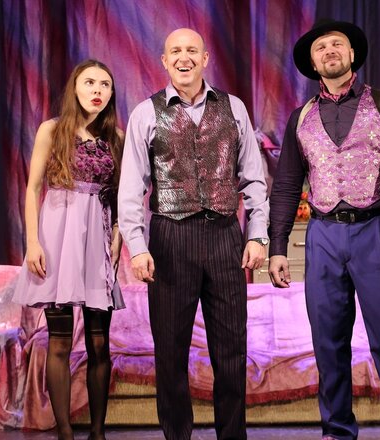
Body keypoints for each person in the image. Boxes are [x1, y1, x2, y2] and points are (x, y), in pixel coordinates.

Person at [268, 19, 380, 440]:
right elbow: (286, 185)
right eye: (321, 48)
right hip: (323, 236)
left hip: (376, 230)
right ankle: (337, 430)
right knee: (327, 340)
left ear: (352, 54)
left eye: (337, 44)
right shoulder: (301, 117)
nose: (330, 51)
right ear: (313, 62)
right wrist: (277, 246)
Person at [118, 28, 269, 440]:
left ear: (205, 58)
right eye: (175, 51)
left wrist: (257, 235)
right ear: (164, 61)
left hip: (224, 236)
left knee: (231, 351)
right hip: (170, 239)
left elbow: (254, 178)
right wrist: (137, 247)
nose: (183, 58)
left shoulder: (233, 107)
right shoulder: (145, 113)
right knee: (170, 352)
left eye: (191, 51)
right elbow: (130, 189)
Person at [13, 59, 125, 440]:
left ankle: (97, 432)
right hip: (58, 236)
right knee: (59, 341)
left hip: (97, 239)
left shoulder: (116, 137)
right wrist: (32, 242)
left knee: (99, 342)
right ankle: (64, 432)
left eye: (105, 85)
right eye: (90, 82)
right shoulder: (52, 130)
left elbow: (122, 195)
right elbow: (32, 189)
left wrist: (118, 235)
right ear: (75, 88)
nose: (97, 90)